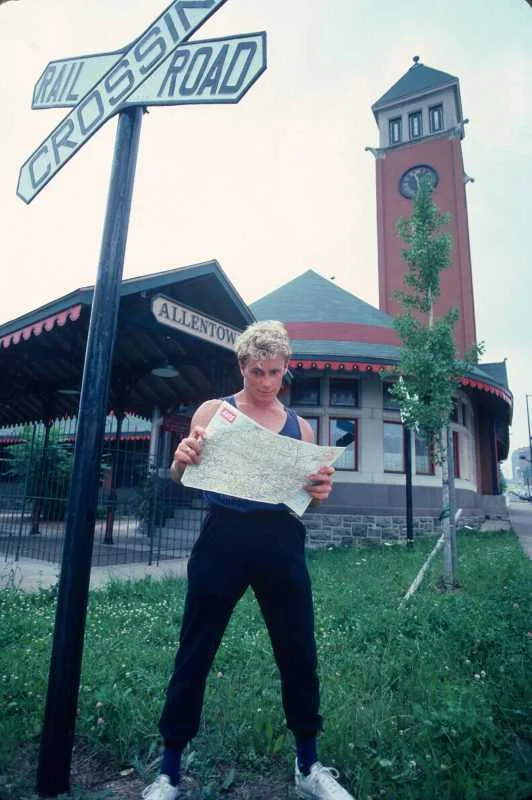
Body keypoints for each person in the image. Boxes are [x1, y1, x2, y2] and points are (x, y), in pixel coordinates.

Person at [142, 321, 354, 800]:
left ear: (285, 369)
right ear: (242, 366)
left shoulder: (300, 427)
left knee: (298, 650)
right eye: (257, 371)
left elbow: (308, 499)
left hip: (280, 538)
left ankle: (308, 766)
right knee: (195, 648)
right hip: (224, 534)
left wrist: (319, 491)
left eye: (275, 372)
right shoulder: (214, 411)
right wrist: (181, 458)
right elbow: (180, 476)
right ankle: (169, 772)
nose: (265, 382)